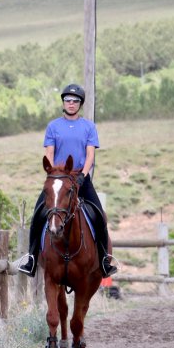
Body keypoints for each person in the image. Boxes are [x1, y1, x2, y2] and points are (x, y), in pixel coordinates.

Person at [18, 83, 117, 278]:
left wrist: (83, 175)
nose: (71, 104)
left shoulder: (89, 127)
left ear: (80, 104)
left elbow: (90, 155)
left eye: (75, 101)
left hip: (81, 178)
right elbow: (49, 152)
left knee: (99, 215)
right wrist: (54, 174)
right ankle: (31, 258)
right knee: (38, 213)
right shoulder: (53, 126)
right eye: (68, 100)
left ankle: (104, 259)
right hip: (58, 179)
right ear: (63, 103)